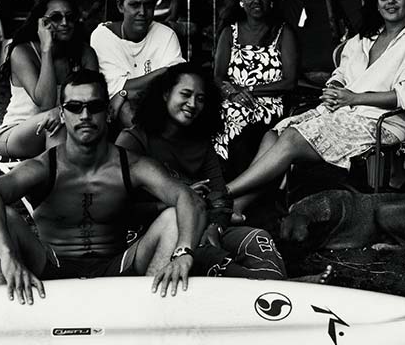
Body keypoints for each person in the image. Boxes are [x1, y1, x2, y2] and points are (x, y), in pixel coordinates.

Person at [0, 69, 206, 303]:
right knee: (1, 217)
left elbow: (189, 199)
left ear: (109, 113)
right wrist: (7, 254)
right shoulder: (44, 167)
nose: (85, 115)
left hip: (116, 268)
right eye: (75, 107)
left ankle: (154, 308)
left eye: (94, 107)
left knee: (173, 218)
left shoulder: (131, 165)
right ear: (62, 114)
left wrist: (183, 251)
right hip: (53, 269)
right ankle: (11, 311)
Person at [224, 0, 405, 219]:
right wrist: (335, 86)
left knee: (292, 137)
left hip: (381, 121)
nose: (390, 1)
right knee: (275, 134)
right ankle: (236, 208)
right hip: (343, 112)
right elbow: (342, 71)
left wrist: (354, 98)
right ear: (376, 2)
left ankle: (223, 194)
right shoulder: (366, 36)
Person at [116, 64, 291, 280]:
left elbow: (219, 196)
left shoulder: (200, 142)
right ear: (165, 94)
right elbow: (117, 208)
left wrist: (215, 228)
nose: (193, 104)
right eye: (186, 94)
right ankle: (273, 289)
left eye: (200, 99)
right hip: (155, 235)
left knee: (257, 238)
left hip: (203, 223)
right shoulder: (132, 141)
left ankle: (281, 290)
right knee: (208, 257)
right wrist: (180, 199)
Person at [211, 0, 300, 178]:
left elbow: (289, 82)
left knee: (238, 119)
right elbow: (218, 76)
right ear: (241, 0)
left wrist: (248, 90)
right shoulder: (229, 32)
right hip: (232, 97)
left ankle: (236, 184)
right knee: (213, 115)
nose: (257, 1)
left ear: (271, 0)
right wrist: (233, 93)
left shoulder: (283, 33)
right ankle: (214, 180)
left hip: (269, 103)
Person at [0, 0, 98, 159]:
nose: (65, 23)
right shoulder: (23, 52)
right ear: (41, 22)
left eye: (70, 17)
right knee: (55, 125)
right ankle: (60, 181)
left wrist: (61, 112)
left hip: (67, 126)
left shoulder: (85, 53)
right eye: (56, 17)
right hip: (18, 133)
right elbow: (46, 103)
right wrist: (46, 49)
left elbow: (94, 97)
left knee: (64, 124)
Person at [90, 0, 185, 129]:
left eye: (148, 6)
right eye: (134, 5)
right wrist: (163, 71)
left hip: (158, 106)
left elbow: (178, 81)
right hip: (117, 116)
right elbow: (111, 90)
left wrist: (124, 91)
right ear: (120, 6)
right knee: (125, 107)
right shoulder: (103, 36)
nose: (142, 12)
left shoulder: (166, 34)